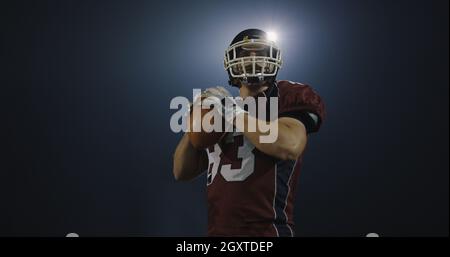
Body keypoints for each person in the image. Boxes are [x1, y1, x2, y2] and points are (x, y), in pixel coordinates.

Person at [173, 28, 325, 236]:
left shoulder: (286, 95)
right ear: (232, 62)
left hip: (268, 232)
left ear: (273, 60)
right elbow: (182, 171)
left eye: (261, 53)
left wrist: (230, 110)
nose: (253, 59)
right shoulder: (221, 108)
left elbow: (289, 146)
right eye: (245, 54)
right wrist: (195, 121)